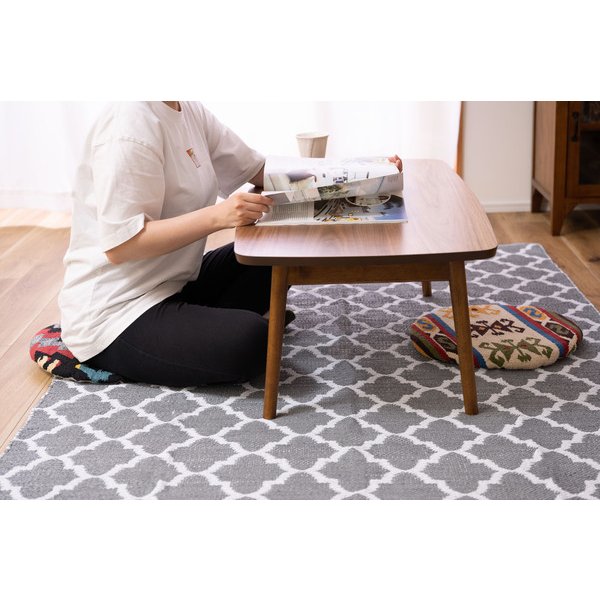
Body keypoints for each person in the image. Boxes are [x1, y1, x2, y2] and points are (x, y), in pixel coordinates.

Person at [58, 101, 403, 388]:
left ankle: (201, 326)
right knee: (253, 342)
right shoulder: (128, 126)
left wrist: (362, 170)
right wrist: (219, 216)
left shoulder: (186, 109)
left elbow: (261, 170)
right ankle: (204, 332)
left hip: (176, 283)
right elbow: (122, 246)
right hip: (117, 312)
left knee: (278, 252)